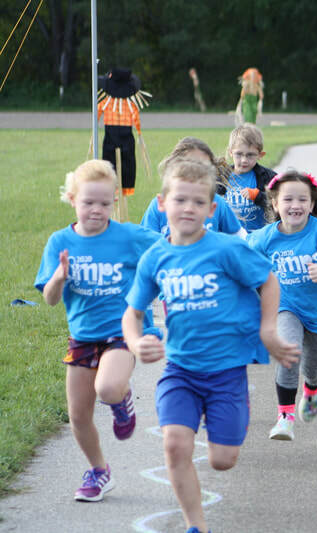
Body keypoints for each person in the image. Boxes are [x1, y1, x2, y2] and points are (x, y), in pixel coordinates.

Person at [122, 158, 299, 533]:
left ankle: (220, 416)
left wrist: (268, 330)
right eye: (180, 200)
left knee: (223, 460)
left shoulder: (225, 249)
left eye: (198, 202)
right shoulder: (155, 257)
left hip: (226, 372)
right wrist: (136, 342)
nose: (188, 208)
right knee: (175, 445)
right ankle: (196, 526)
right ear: (162, 203)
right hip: (180, 371)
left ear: (212, 209)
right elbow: (132, 313)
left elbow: (268, 280)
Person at [34, 160, 161, 501]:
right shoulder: (60, 242)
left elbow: (167, 247)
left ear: (114, 201)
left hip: (122, 332)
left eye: (105, 203)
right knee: (78, 415)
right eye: (88, 202)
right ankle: (99, 471)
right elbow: (50, 299)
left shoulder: (128, 236)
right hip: (82, 337)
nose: (97, 210)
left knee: (107, 387)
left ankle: (121, 400)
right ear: (72, 199)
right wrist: (59, 278)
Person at [248, 171, 317, 441]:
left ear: (311, 205)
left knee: (311, 368)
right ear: (275, 204)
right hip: (285, 306)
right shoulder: (264, 238)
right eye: (288, 199)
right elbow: (242, 262)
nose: (295, 205)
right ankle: (285, 418)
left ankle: (312, 389)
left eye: (302, 200)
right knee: (290, 352)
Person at [141, 137, 246, 239]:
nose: (195, 170)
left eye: (203, 167)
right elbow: (145, 242)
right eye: (180, 200)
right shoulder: (159, 205)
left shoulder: (217, 203)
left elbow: (241, 238)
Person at [96, 67, 152, 197]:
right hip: (124, 135)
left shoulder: (105, 102)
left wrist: (95, 125)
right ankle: (119, 188)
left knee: (115, 161)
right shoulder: (130, 104)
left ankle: (117, 188)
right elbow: (135, 117)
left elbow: (97, 114)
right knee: (125, 161)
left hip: (112, 134)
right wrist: (139, 133)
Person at [218, 124, 277, 233]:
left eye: (250, 155)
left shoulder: (268, 177)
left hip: (258, 236)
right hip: (230, 236)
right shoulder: (220, 178)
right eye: (239, 154)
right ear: (230, 152)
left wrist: (258, 196)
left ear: (260, 155)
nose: (244, 160)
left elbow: (279, 203)